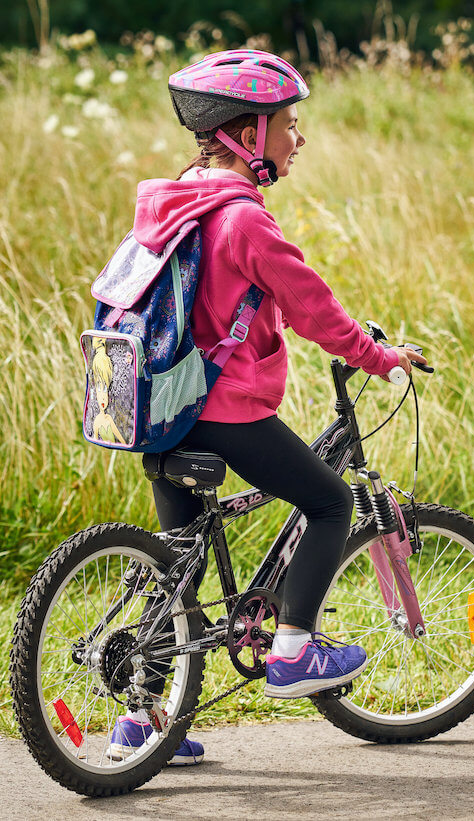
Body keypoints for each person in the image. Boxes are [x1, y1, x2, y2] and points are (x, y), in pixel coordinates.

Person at [109, 49, 427, 764]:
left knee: (178, 570)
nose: (298, 138)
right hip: (225, 409)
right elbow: (312, 307)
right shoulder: (243, 220)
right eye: (288, 123)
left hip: (162, 409)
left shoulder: (180, 198)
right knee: (330, 502)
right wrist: (379, 357)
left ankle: (140, 723)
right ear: (249, 134)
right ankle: (291, 649)